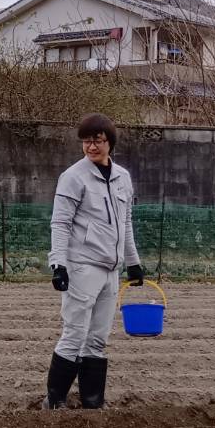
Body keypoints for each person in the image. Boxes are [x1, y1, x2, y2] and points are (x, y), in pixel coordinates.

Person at [45, 112, 145, 410]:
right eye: (86, 141)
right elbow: (60, 223)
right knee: (75, 333)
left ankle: (92, 405)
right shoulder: (73, 177)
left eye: (97, 141)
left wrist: (133, 262)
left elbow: (125, 224)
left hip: (110, 270)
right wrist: (58, 264)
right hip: (82, 266)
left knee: (98, 339)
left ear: (109, 143)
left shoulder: (122, 177)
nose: (91, 147)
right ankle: (54, 402)